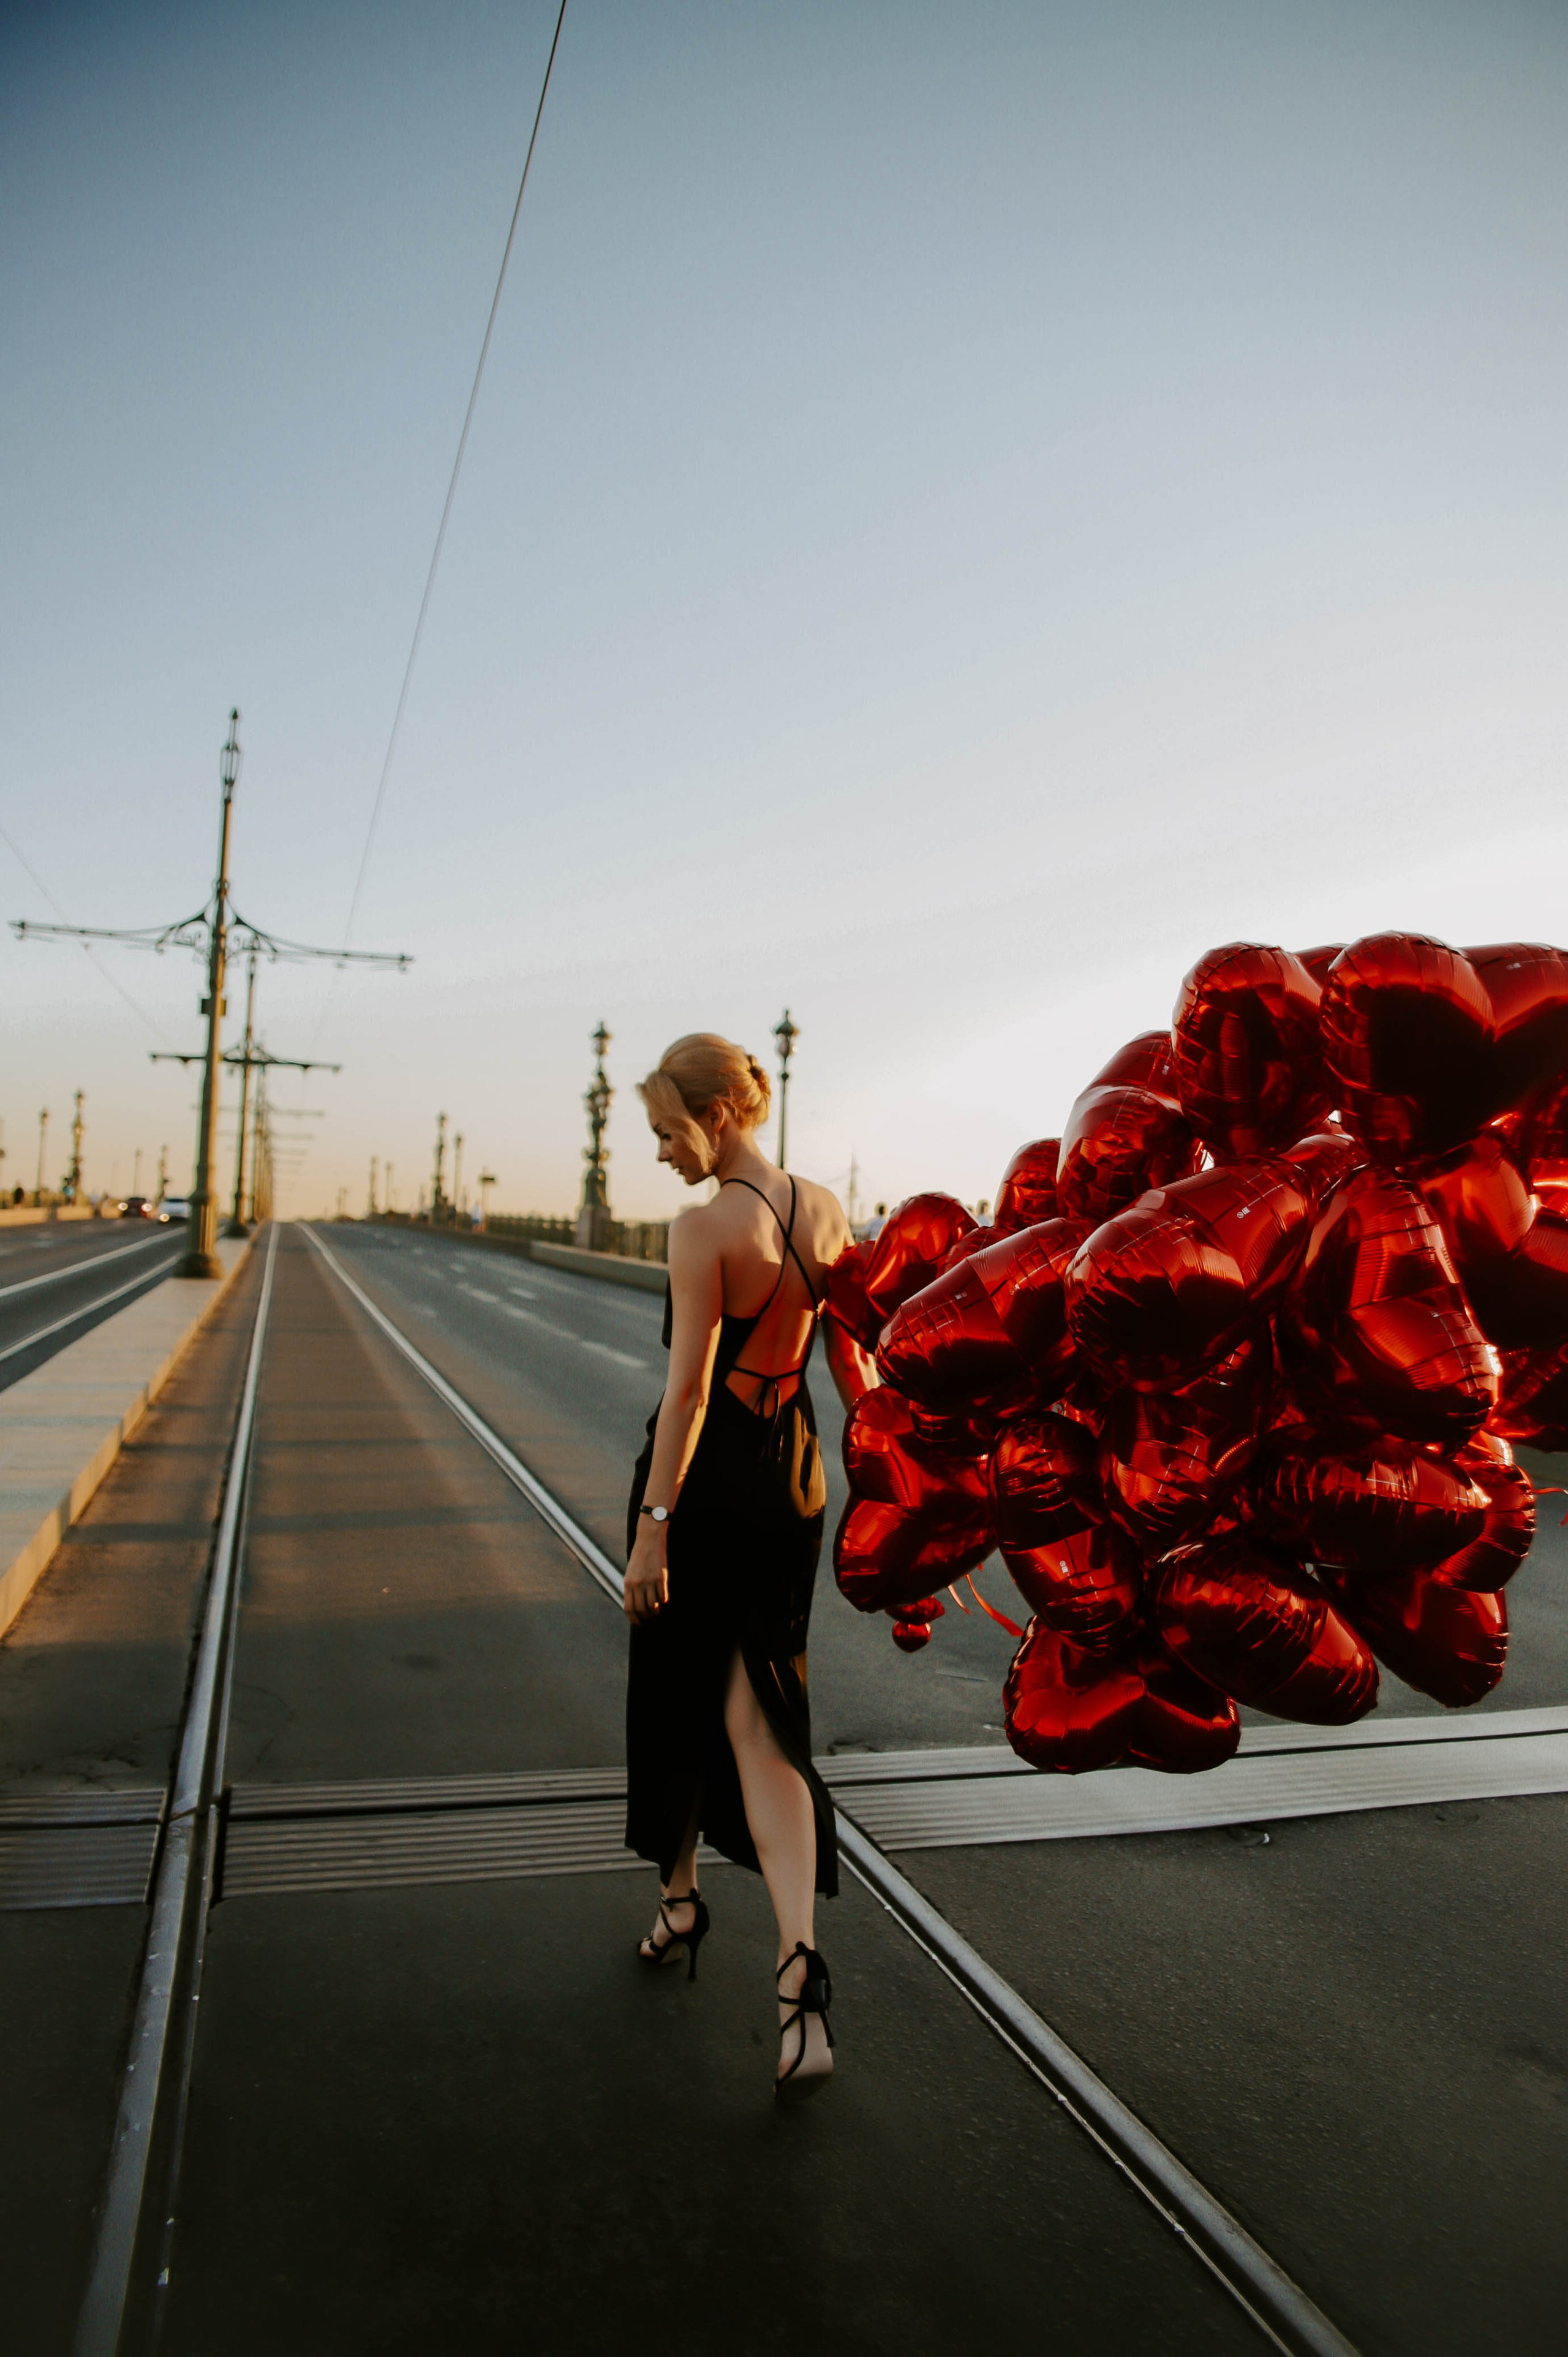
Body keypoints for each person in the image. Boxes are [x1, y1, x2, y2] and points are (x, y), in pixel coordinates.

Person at [624, 1033, 873, 2102]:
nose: (664, 1157)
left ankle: (684, 1902)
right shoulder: (824, 1212)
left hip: (710, 1480)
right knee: (761, 1709)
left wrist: (650, 1527)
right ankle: (792, 1968)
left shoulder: (703, 1228)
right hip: (796, 1477)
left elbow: (684, 1395)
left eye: (669, 1135)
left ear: (716, 1115)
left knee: (680, 1690)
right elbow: (854, 1361)